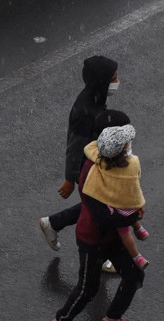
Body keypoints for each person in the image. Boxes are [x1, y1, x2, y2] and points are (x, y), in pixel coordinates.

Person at [46, 110, 146, 321]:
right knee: (88, 288)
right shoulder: (92, 176)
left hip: (110, 236)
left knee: (133, 275)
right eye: (126, 144)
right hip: (93, 240)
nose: (130, 145)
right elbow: (106, 216)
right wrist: (133, 215)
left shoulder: (112, 166)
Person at [39, 55, 121, 272]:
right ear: (101, 81)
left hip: (97, 166)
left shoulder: (95, 100)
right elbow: (75, 145)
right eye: (113, 78)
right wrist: (70, 178)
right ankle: (101, 256)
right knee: (101, 209)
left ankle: (53, 223)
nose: (117, 81)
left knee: (97, 208)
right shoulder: (85, 110)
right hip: (89, 170)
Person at [83, 124, 150, 270]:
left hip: (112, 207)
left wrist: (102, 144)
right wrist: (140, 206)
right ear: (125, 147)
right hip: (127, 207)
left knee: (125, 233)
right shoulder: (133, 163)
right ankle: (139, 229)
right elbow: (136, 185)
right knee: (130, 215)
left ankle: (137, 257)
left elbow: (88, 148)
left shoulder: (100, 160)